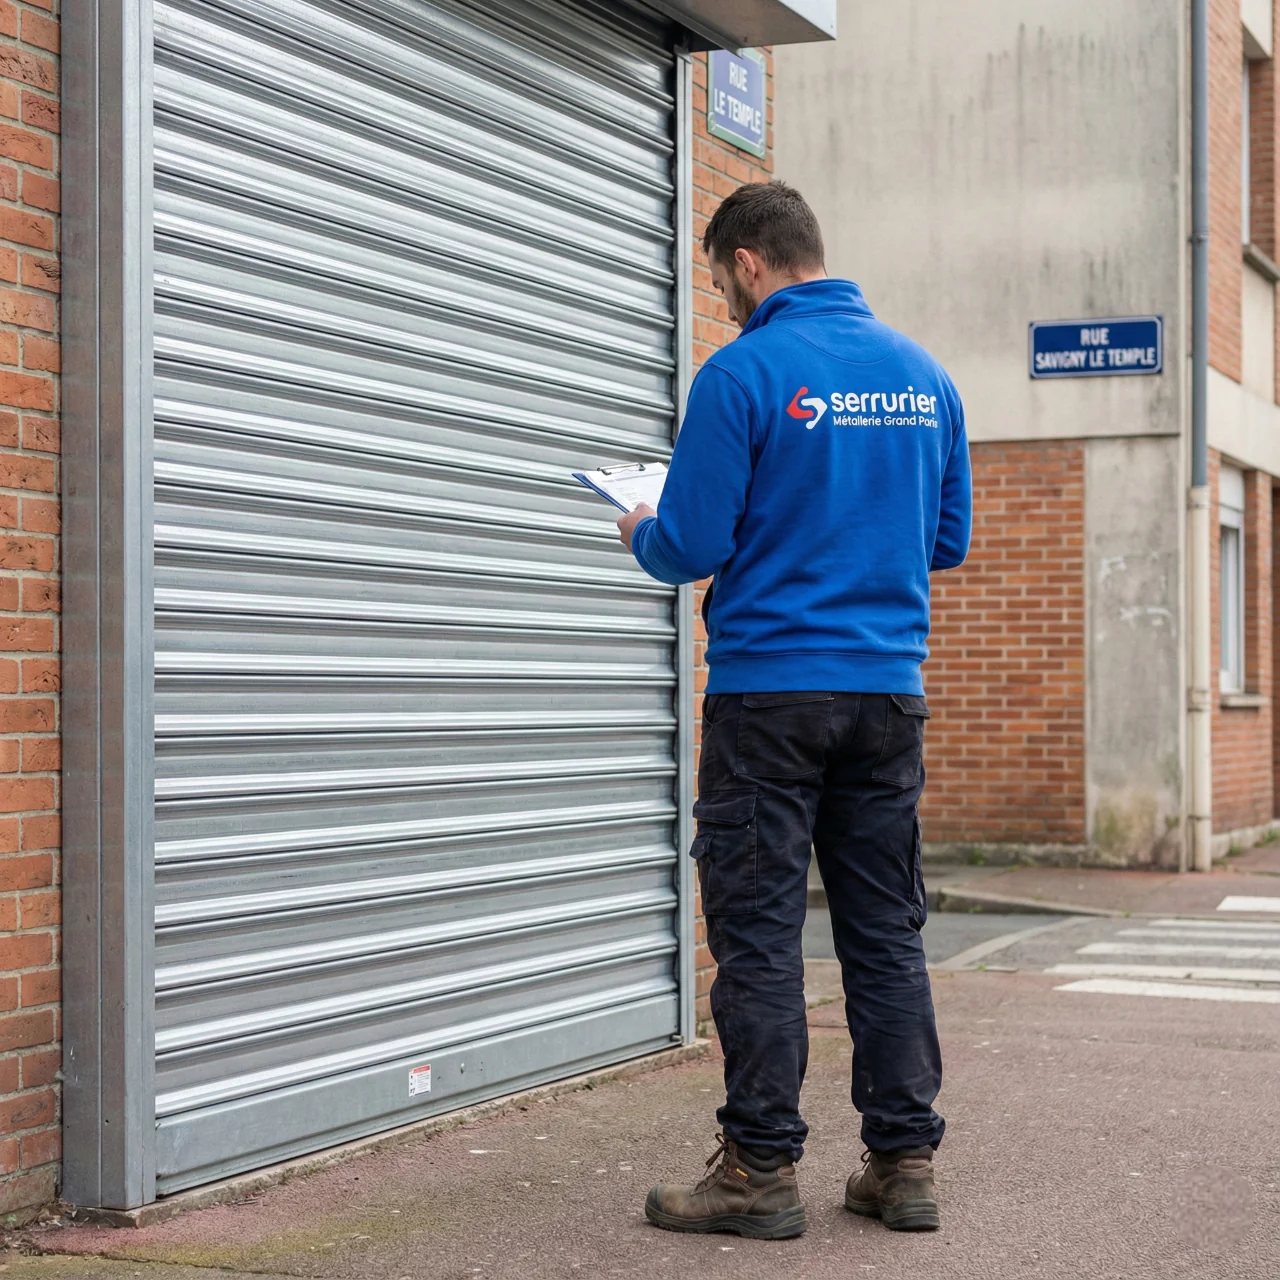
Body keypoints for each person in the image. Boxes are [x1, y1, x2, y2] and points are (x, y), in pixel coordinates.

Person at [618, 182, 972, 1241]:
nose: (723, 295)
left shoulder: (742, 372)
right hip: (883, 696)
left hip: (767, 696)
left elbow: (686, 545)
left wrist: (642, 520)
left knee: (761, 934)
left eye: (722, 275)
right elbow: (943, 541)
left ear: (749, 262)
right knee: (884, 932)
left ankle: (759, 1171)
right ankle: (901, 1163)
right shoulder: (924, 376)